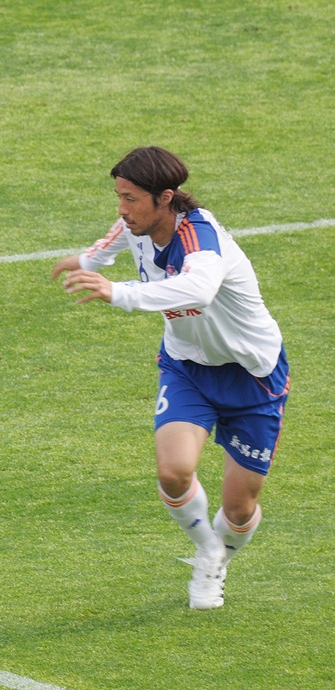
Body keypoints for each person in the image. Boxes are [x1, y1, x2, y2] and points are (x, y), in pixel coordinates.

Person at [53, 146, 289, 610]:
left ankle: (221, 556)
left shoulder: (201, 238)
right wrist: (88, 262)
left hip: (253, 376)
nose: (122, 209)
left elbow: (198, 291)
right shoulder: (138, 223)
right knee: (174, 471)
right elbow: (120, 236)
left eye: (131, 199)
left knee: (240, 508)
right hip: (187, 367)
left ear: (165, 198)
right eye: (118, 196)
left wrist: (118, 292)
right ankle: (207, 550)